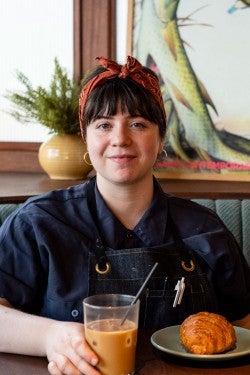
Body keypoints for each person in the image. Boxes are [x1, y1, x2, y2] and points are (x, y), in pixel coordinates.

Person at [0, 56, 249, 375]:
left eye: (138, 124)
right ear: (86, 137)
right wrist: (51, 336)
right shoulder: (37, 223)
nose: (120, 139)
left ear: (160, 140)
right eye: (104, 125)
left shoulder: (206, 230)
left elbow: (243, 330)